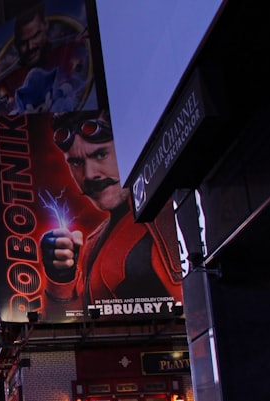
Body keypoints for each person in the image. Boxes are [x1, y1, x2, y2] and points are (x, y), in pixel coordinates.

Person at [41, 109, 183, 318]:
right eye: (76, 162)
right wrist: (60, 281)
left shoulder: (168, 212)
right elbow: (72, 324)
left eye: (100, 154)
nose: (90, 174)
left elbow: (198, 309)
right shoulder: (92, 243)